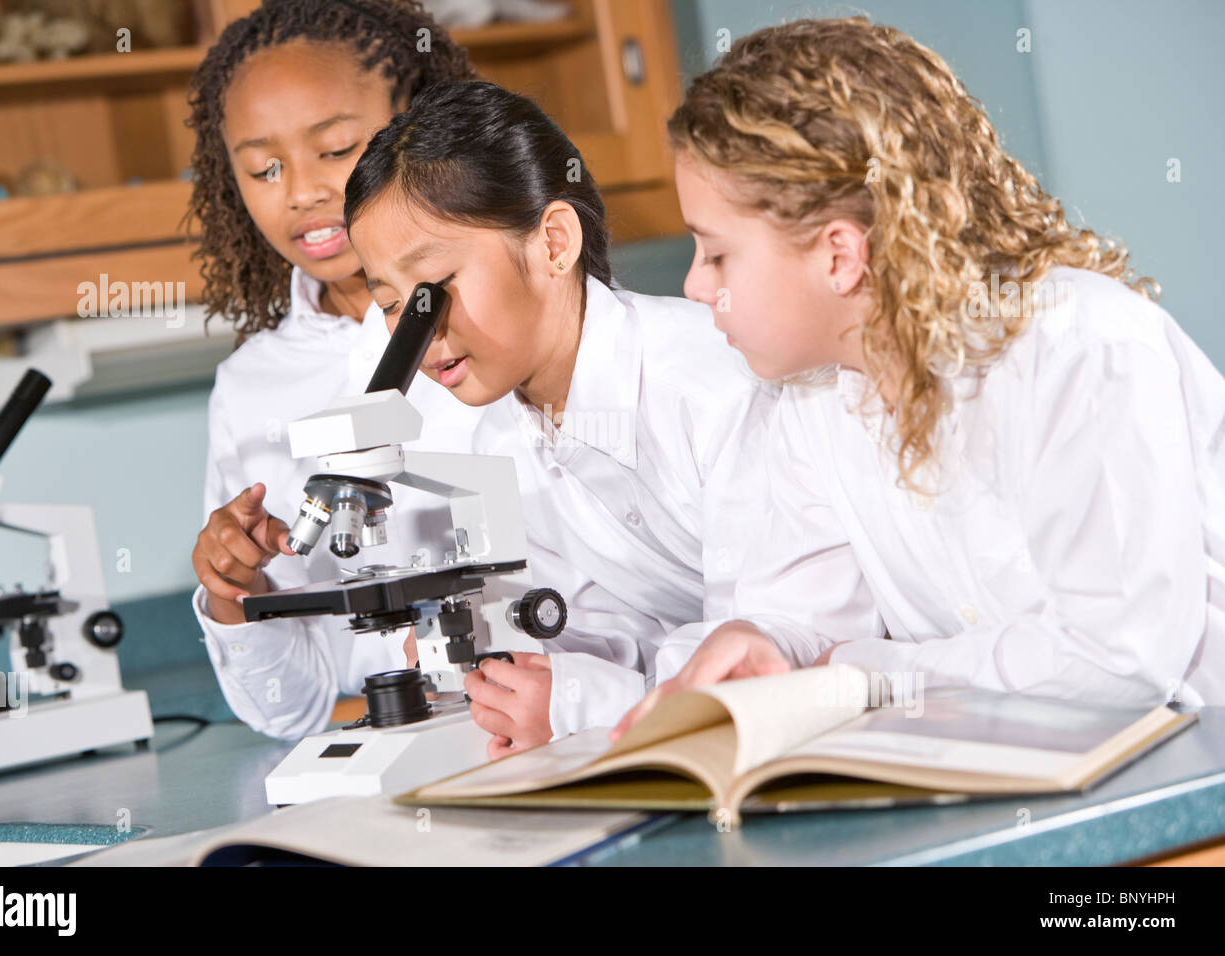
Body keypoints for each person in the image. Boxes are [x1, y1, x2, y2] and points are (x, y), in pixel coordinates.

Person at [617, 16, 1225, 737]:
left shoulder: (1080, 348)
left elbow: (1117, 665)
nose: (693, 285)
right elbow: (805, 613)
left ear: (840, 255)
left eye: (716, 255)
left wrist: (866, 672)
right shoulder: (814, 396)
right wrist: (767, 643)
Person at [345, 80, 778, 757]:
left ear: (553, 243)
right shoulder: (505, 439)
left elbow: (766, 638)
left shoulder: (715, 384)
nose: (417, 333)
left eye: (432, 291)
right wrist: (515, 667)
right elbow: (616, 628)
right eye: (393, 305)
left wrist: (580, 700)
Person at [185, 0, 486, 739]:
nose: (302, 191)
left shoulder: (497, 326)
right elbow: (294, 711)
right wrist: (235, 590)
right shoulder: (250, 388)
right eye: (264, 168)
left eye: (337, 148)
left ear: (422, 127)